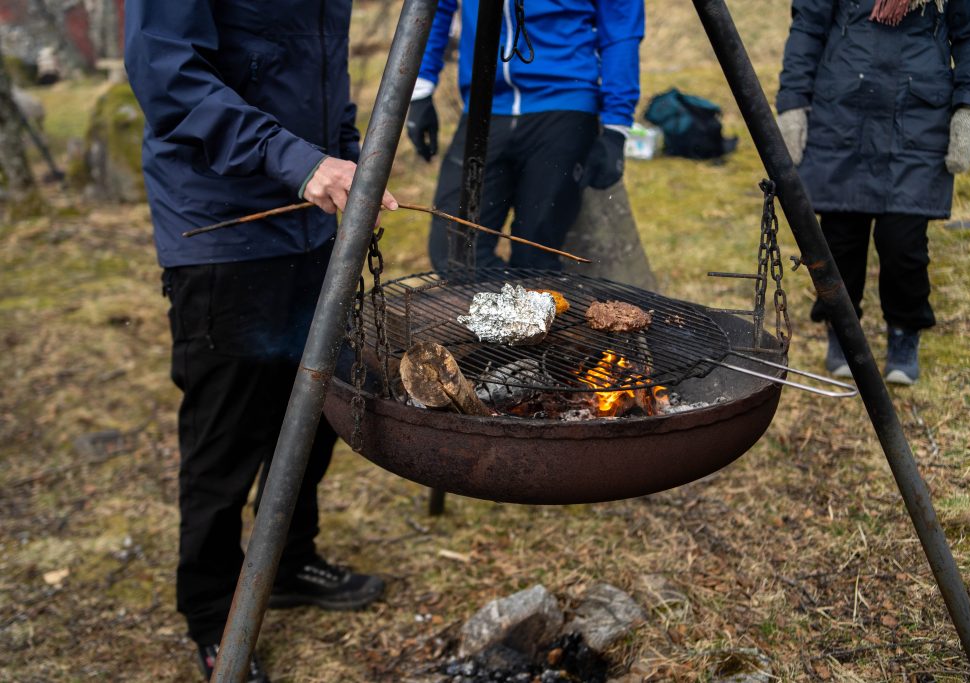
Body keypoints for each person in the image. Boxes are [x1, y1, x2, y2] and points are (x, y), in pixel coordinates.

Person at [124, 3, 397, 680]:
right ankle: (215, 610)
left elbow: (322, 72)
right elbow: (167, 73)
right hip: (223, 224)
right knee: (228, 430)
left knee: (314, 408)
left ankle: (289, 557)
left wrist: (347, 153)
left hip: (310, 219)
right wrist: (297, 161)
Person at [775, 0, 970, 384]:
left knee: (903, 244)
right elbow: (808, 23)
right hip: (842, 107)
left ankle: (905, 331)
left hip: (919, 111)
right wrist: (793, 100)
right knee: (839, 239)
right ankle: (841, 327)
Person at [405, 0, 645, 271]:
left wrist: (616, 125)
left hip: (564, 100)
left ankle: (539, 305)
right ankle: (510, 309)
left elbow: (620, 21)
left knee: (535, 256)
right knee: (455, 254)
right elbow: (433, 5)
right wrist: (420, 87)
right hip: (483, 105)